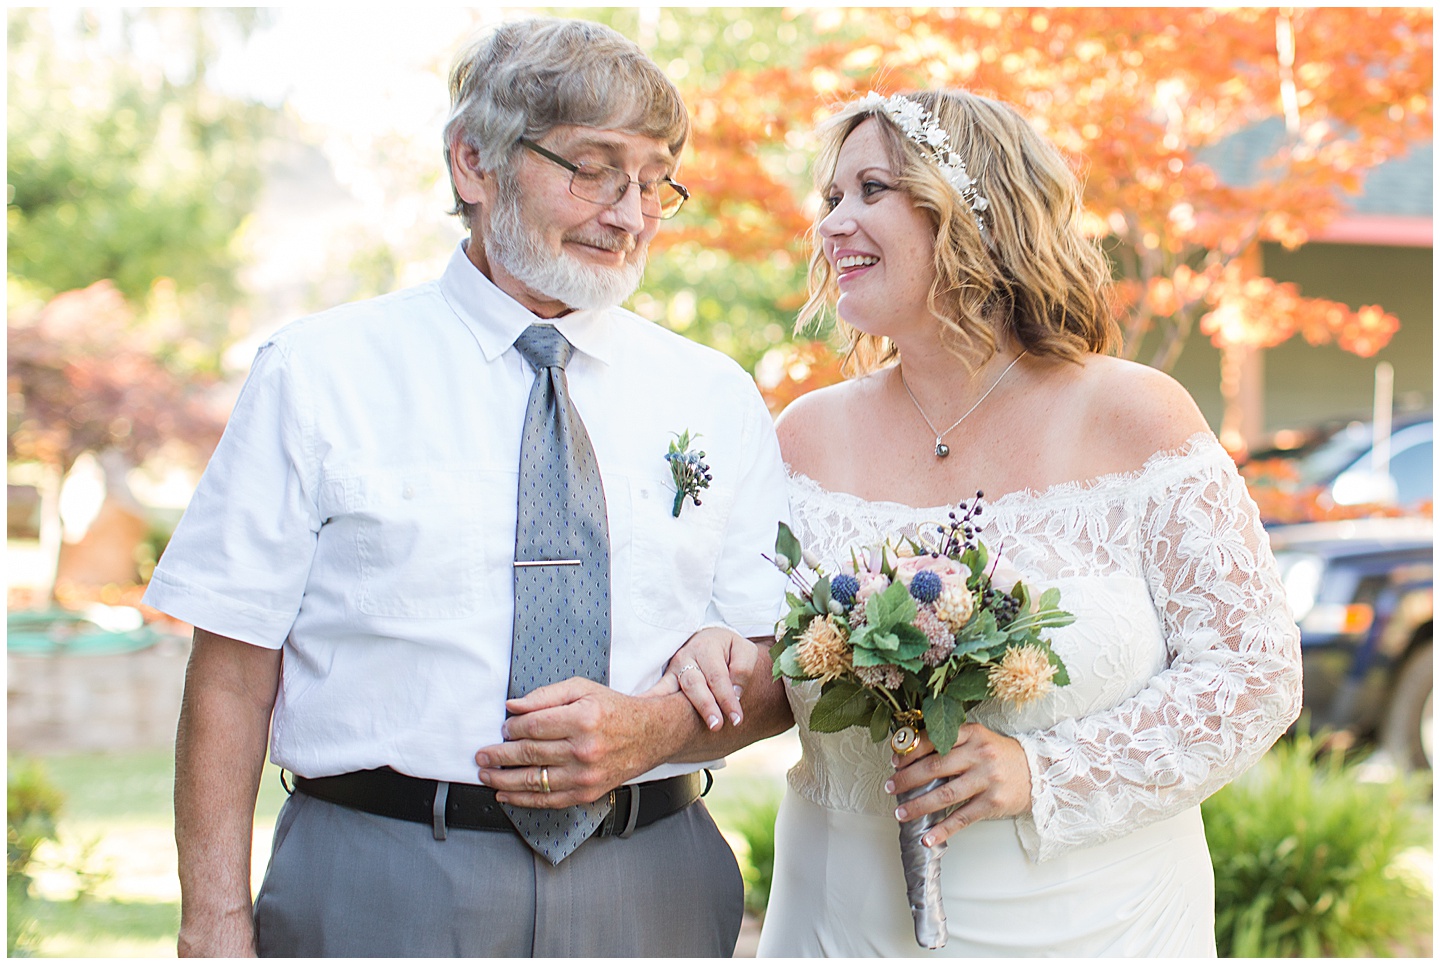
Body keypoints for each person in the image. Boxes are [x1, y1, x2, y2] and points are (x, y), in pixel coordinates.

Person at [145, 18, 792, 958]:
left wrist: (650, 731)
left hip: (652, 885)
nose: (629, 212)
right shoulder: (317, 372)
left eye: (655, 179)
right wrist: (212, 922)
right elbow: (233, 673)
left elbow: (783, 672)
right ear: (474, 163)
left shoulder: (715, 394)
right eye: (592, 168)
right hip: (377, 883)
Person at [666, 88, 1303, 956]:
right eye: (829, 199)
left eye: (871, 190)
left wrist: (1043, 771)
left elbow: (1255, 670)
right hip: (842, 916)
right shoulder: (803, 436)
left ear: (971, 206)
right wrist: (712, 642)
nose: (833, 224)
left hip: (1098, 919)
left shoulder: (1136, 416)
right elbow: (756, 647)